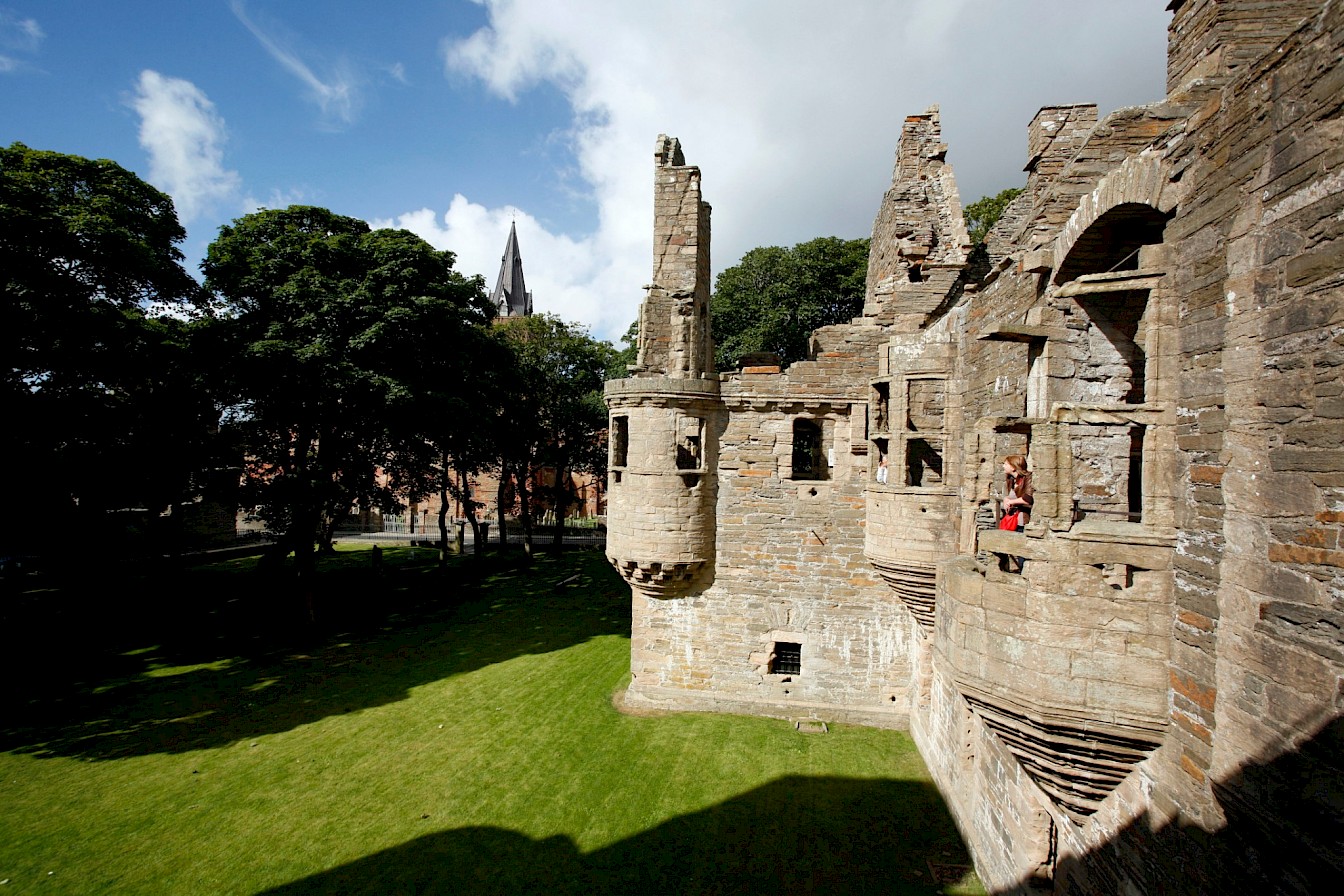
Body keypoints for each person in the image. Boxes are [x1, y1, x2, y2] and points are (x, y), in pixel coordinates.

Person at [1001, 455, 1033, 530]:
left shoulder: (1027, 478)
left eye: (1006, 464)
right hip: (1012, 517)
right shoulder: (1011, 479)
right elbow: (1012, 494)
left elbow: (1028, 499)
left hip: (1022, 518)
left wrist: (1011, 502)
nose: (1003, 466)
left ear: (1013, 467)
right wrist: (1006, 499)